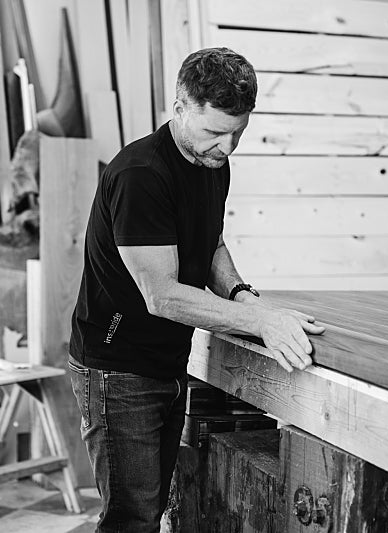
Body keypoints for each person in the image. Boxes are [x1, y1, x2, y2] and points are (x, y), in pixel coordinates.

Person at [68, 47, 325, 532]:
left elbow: (209, 243)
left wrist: (242, 297)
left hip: (166, 360)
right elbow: (161, 295)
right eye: (213, 132)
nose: (226, 147)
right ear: (179, 108)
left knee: (156, 509)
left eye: (237, 132)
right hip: (118, 370)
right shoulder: (141, 175)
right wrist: (261, 321)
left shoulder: (211, 162)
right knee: (131, 519)